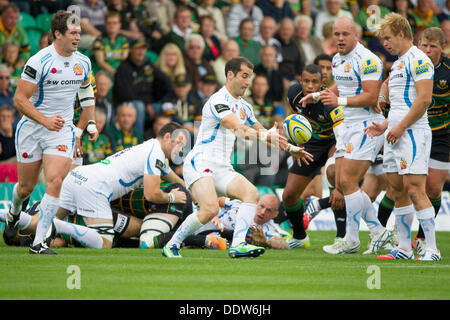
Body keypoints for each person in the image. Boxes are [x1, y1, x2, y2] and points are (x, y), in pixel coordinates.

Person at [161, 56, 313, 258]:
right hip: (201, 161)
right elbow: (238, 128)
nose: (247, 82)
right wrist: (267, 134)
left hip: (222, 166)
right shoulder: (218, 100)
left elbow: (264, 134)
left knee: (251, 193)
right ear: (229, 74)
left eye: (249, 77)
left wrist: (291, 148)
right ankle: (172, 244)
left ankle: (239, 244)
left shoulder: (245, 106)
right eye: (244, 76)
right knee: (210, 209)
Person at [5, 10, 95, 254]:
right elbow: (20, 100)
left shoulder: (83, 62)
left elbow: (86, 93)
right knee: (25, 187)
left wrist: (91, 124)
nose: (78, 38)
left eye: (79, 33)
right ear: (58, 34)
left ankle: (39, 242)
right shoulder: (38, 61)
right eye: (73, 33)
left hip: (62, 129)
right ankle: (14, 213)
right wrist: (44, 120)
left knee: (55, 180)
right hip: (34, 128)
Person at [301, 17, 391, 255]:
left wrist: (337, 101)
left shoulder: (368, 59)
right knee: (340, 182)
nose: (339, 38)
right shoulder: (336, 59)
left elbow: (372, 96)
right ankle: (379, 232)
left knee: (349, 183)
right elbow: (340, 86)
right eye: (336, 34)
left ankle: (351, 239)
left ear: (356, 35)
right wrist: (318, 96)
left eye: (344, 34)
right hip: (347, 125)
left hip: (367, 125)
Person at [365, 13, 441, 261]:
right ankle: (405, 248)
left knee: (416, 189)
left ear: (401, 33)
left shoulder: (419, 60)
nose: (384, 43)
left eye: (387, 38)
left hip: (413, 133)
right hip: (395, 134)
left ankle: (432, 249)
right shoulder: (398, 63)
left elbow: (424, 100)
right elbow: (400, 105)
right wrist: (385, 126)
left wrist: (399, 128)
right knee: (397, 191)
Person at [52, 122, 188, 250]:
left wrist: (196, 196)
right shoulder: (155, 154)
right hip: (95, 186)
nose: (180, 150)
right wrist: (171, 197)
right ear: (167, 137)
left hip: (78, 175)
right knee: (105, 242)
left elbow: (175, 178)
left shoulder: (151, 147)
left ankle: (43, 227)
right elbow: (151, 194)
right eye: (179, 144)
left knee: (46, 218)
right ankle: (58, 226)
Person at [283, 64, 344, 248]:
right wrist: (297, 144)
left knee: (334, 176)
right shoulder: (293, 93)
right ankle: (300, 237)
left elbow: (341, 137)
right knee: (289, 195)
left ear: (323, 82)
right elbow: (295, 120)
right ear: (300, 80)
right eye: (306, 81)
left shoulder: (330, 102)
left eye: (314, 82)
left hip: (335, 143)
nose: (310, 86)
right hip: (311, 146)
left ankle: (342, 237)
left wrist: (339, 186)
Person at [113, 38, 172, 132]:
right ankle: (138, 140)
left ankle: (165, 138)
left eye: (143, 49)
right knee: (139, 107)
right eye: (138, 49)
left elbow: (165, 82)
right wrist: (146, 104)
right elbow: (126, 94)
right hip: (128, 103)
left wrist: (164, 100)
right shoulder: (124, 67)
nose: (141, 52)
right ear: (131, 50)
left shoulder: (148, 65)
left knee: (167, 107)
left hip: (149, 104)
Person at [92, 11, 129, 77]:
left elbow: (124, 60)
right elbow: (101, 63)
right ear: (105, 25)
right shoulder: (99, 41)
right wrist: (115, 72)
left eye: (115, 23)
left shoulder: (124, 39)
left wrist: (121, 72)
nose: (112, 25)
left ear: (120, 25)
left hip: (121, 71)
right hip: (104, 72)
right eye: (109, 23)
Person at [0, 3, 30, 70]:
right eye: (11, 17)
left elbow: (26, 50)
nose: (14, 22)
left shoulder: (19, 30)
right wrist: (3, 67)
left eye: (16, 18)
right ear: (2, 16)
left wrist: (21, 61)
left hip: (14, 67)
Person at [276, 18, 304, 85]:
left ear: (293, 31)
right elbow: (274, 68)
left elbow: (299, 64)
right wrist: (281, 79)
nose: (286, 32)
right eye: (284, 29)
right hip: (280, 79)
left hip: (295, 78)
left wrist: (301, 76)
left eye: (288, 30)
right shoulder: (275, 44)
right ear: (279, 30)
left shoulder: (294, 45)